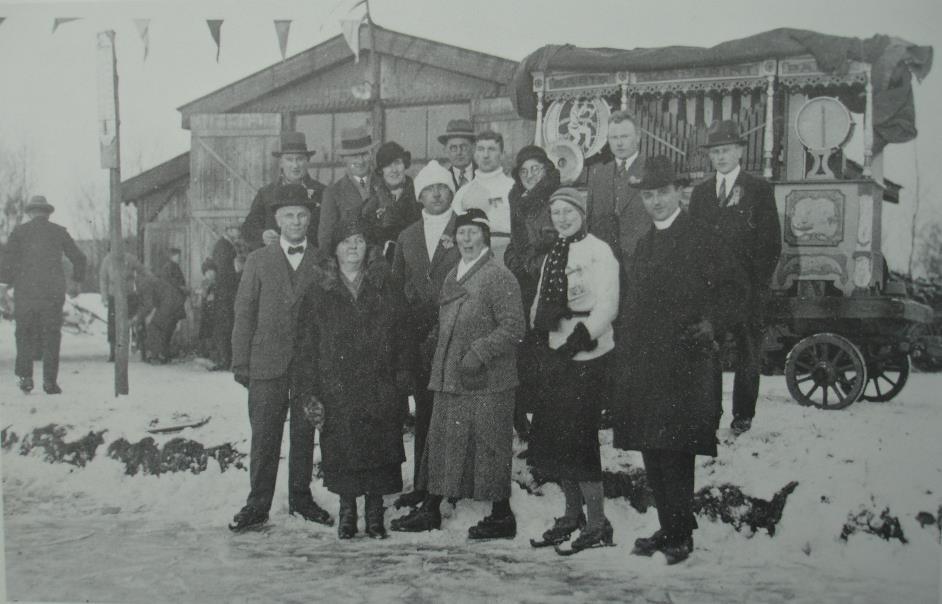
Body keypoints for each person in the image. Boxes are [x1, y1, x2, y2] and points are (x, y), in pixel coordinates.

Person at [612, 156, 747, 565]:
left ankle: (680, 534)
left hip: (687, 362)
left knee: (677, 448)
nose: (655, 202)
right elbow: (634, 307)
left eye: (663, 193)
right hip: (648, 365)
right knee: (652, 446)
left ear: (679, 193)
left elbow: (736, 289)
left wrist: (713, 323)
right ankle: (668, 525)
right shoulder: (644, 244)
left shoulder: (703, 237)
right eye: (648, 195)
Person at [392, 209, 525, 539]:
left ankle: (501, 516)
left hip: (488, 380)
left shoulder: (498, 276)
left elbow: (515, 327)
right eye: (461, 233)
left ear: (485, 237)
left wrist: (479, 352)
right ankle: (431, 509)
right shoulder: (453, 273)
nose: (466, 239)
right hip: (451, 375)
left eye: (473, 233)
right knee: (443, 442)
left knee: (490, 447)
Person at [228, 183, 333, 532]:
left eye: (302, 215)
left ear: (310, 218)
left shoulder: (320, 260)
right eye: (289, 215)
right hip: (266, 361)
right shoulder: (258, 260)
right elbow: (243, 312)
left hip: (306, 366)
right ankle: (258, 503)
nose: (296, 221)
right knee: (265, 435)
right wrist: (241, 362)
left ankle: (301, 498)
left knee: (303, 433)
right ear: (277, 219)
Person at [528, 187, 619, 553]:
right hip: (556, 348)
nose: (562, 219)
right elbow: (539, 298)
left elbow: (608, 304)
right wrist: (539, 324)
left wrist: (581, 337)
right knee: (556, 436)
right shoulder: (555, 252)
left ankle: (598, 522)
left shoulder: (599, 251)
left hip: (587, 352)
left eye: (569, 212)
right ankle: (571, 513)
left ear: (582, 213)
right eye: (556, 213)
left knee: (579, 437)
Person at [308, 219, 410, 539]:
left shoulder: (386, 283)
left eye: (360, 241)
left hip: (379, 380)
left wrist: (402, 376)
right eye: (346, 241)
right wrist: (309, 389)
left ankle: (375, 511)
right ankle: (348, 511)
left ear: (370, 248)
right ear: (334, 249)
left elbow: (404, 335)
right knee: (343, 446)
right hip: (336, 382)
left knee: (380, 447)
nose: (353, 247)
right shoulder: (319, 290)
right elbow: (307, 343)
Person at [688, 120, 782, 435]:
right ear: (709, 156)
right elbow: (694, 244)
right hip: (711, 290)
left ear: (740, 151)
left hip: (748, 289)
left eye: (726, 150)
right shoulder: (700, 194)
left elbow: (770, 244)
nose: (721, 157)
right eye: (716, 152)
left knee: (747, 353)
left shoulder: (759, 189)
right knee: (708, 352)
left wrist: (757, 286)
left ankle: (743, 415)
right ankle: (708, 413)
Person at [389, 160, 461, 510]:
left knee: (451, 412)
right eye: (430, 188)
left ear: (451, 192)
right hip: (419, 339)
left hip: (454, 334)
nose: (436, 194)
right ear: (419, 196)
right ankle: (421, 483)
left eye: (442, 188)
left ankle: (449, 484)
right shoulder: (408, 236)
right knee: (425, 411)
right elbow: (397, 289)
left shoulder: (466, 230)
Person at [503, 145, 562, 443]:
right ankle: (523, 419)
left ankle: (545, 425)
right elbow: (515, 242)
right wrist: (515, 260)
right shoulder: (517, 200)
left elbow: (554, 239)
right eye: (524, 171)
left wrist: (533, 262)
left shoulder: (554, 199)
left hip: (547, 281)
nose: (529, 176)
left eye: (535, 170)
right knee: (523, 352)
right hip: (523, 284)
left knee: (546, 353)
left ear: (546, 170)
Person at [0, 195, 86, 394]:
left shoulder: (19, 232)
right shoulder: (59, 232)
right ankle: (49, 382)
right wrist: (77, 282)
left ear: (30, 212)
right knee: (52, 336)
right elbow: (80, 258)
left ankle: (25, 378)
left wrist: (4, 286)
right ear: (47, 213)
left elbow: (7, 262)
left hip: (26, 292)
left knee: (24, 334)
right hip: (52, 294)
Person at [585, 110, 650, 270]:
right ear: (608, 140)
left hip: (641, 263)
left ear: (638, 137)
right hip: (605, 264)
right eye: (614, 138)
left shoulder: (651, 170)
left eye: (625, 137)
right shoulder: (598, 174)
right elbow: (591, 222)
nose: (619, 143)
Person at [241, 132, 325, 250]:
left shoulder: (322, 192)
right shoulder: (266, 194)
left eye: (300, 159)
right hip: (274, 261)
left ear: (307, 161)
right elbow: (248, 228)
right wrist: (263, 235)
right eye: (289, 159)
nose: (295, 165)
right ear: (281, 163)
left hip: (310, 260)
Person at [453, 131, 514, 264]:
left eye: (491, 149)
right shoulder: (463, 192)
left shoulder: (512, 188)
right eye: (481, 149)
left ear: (502, 154)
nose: (486, 155)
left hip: (507, 257)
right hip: (472, 257)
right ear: (475, 154)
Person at [317, 126, 376, 255]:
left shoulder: (384, 185)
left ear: (371, 154)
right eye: (354, 156)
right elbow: (326, 240)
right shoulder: (333, 193)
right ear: (344, 158)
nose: (360, 161)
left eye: (364, 154)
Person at [359, 141, 420, 261]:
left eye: (397, 163)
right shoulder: (370, 207)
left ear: (405, 165)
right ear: (381, 170)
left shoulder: (420, 199)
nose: (394, 170)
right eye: (387, 165)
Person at [99, 247, 144, 362]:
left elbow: (141, 270)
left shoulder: (129, 258)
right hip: (113, 296)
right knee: (113, 325)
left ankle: (137, 345)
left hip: (129, 295)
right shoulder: (107, 260)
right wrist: (104, 297)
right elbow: (103, 279)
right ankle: (114, 352)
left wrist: (139, 285)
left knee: (133, 321)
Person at [133, 269, 186, 365]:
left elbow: (148, 305)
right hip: (176, 302)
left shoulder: (144, 284)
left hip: (169, 303)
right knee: (165, 327)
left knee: (154, 326)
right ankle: (164, 355)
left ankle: (156, 356)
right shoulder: (149, 280)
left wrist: (138, 317)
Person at [210, 225, 241, 370]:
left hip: (227, 290)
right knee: (224, 325)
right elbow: (223, 270)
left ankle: (227, 360)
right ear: (228, 231)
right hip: (225, 291)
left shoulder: (228, 245)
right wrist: (236, 276)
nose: (238, 233)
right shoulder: (223, 246)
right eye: (236, 230)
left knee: (227, 324)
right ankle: (224, 360)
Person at [437, 119, 476, 191]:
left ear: (473, 148)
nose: (459, 152)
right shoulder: (441, 181)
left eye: (464, 147)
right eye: (453, 148)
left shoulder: (487, 176)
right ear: (445, 150)